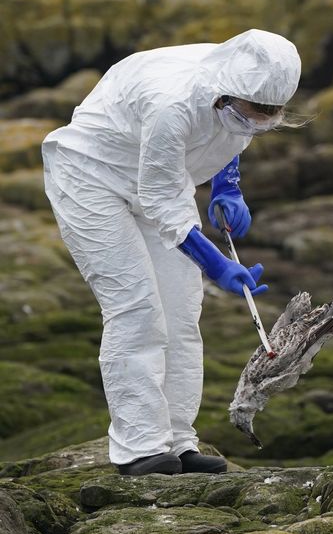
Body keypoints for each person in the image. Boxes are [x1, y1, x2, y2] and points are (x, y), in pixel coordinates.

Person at [41, 29, 301, 476]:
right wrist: (216, 264)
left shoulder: (246, 91)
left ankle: (178, 441)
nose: (259, 125)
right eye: (253, 115)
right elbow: (161, 201)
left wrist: (227, 186)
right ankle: (139, 448)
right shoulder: (172, 102)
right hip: (90, 176)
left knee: (181, 313)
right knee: (136, 309)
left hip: (162, 178)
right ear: (226, 94)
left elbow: (226, 139)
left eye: (270, 117)